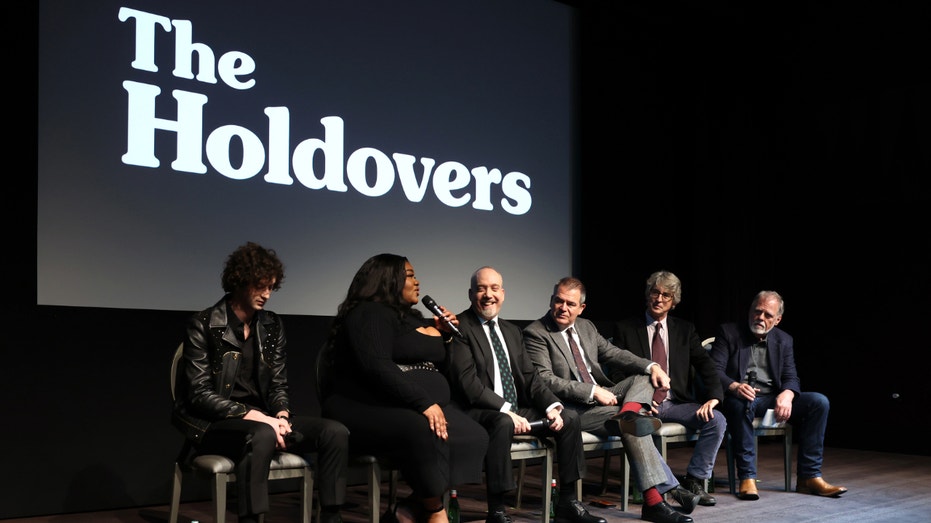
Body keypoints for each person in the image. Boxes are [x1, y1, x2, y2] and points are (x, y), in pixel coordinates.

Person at [172, 241, 349, 523]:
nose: (267, 294)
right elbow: (198, 394)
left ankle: (331, 516)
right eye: (260, 286)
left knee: (335, 432)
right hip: (213, 422)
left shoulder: (271, 325)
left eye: (271, 287)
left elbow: (278, 383)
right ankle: (251, 519)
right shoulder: (204, 324)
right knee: (261, 434)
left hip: (262, 420)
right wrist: (253, 415)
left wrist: (280, 415)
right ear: (240, 281)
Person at [320, 253, 489, 523]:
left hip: (404, 402)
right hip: (361, 404)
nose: (417, 281)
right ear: (388, 280)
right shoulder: (369, 313)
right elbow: (376, 367)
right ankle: (435, 510)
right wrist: (423, 403)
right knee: (422, 429)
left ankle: (410, 507)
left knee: (473, 436)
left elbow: (435, 364)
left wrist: (445, 336)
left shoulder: (410, 318)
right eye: (410, 275)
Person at [524, 276, 701, 523]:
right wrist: (591, 392)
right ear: (551, 300)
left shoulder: (586, 327)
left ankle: (627, 413)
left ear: (581, 308)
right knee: (633, 427)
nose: (563, 308)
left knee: (644, 377)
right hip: (572, 408)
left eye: (570, 304)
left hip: (607, 400)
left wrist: (653, 366)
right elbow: (546, 380)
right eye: (558, 301)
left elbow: (616, 354)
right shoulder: (536, 333)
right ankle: (654, 501)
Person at [447, 266, 606, 523]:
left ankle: (568, 501)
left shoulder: (511, 331)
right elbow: (468, 385)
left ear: (503, 293)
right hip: (477, 410)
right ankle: (497, 511)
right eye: (481, 288)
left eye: (494, 288)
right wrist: (506, 411)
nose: (488, 295)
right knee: (501, 422)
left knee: (570, 418)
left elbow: (531, 378)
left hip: (512, 409)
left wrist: (551, 406)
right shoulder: (459, 328)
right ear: (470, 294)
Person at [709, 290, 848, 500]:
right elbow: (713, 371)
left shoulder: (784, 340)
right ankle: (747, 477)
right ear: (750, 311)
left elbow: (791, 376)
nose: (761, 318)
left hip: (770, 398)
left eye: (767, 315)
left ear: (778, 319)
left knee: (819, 402)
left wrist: (788, 394)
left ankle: (809, 477)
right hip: (739, 397)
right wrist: (735, 386)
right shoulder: (728, 333)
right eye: (757, 312)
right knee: (741, 404)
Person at [612, 271, 726, 507]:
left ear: (674, 301)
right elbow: (616, 371)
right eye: (655, 292)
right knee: (635, 425)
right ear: (647, 295)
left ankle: (694, 480)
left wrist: (714, 397)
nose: (659, 299)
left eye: (666, 295)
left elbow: (706, 365)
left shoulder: (685, 330)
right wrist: (638, 399)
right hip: (642, 402)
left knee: (717, 420)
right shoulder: (626, 328)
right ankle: (673, 487)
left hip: (677, 403)